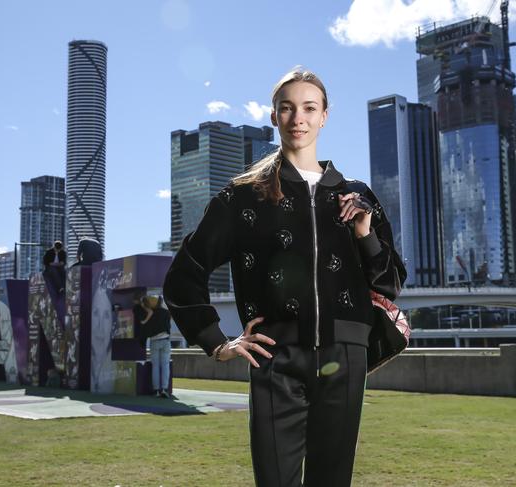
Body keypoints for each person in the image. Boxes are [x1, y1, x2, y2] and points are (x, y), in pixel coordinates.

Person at [163, 67, 406, 486]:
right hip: (275, 357)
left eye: (310, 108)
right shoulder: (242, 197)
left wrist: (364, 233)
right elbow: (184, 273)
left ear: (325, 116)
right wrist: (217, 343)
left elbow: (390, 284)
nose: (299, 118)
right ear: (274, 116)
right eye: (288, 108)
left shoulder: (356, 197)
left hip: (345, 358)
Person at [136, 295, 172, 398]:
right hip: (165, 340)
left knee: (155, 366)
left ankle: (156, 390)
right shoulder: (166, 312)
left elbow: (145, 329)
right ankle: (164, 389)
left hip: (154, 341)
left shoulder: (149, 313)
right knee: (165, 365)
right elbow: (168, 325)